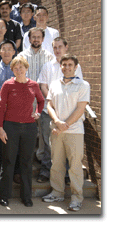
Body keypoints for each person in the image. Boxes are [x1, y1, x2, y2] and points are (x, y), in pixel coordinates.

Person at [42, 55, 90, 212]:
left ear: (76, 67)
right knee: (56, 164)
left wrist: (65, 125)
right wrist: (57, 122)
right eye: (64, 64)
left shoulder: (83, 85)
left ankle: (76, 198)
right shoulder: (55, 84)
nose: (67, 67)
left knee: (75, 166)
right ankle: (57, 192)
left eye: (70, 65)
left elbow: (80, 109)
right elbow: (49, 105)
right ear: (60, 66)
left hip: (74, 132)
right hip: (56, 131)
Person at [0, 55, 44, 207]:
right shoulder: (7, 85)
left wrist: (38, 111)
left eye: (21, 67)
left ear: (26, 68)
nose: (19, 70)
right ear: (12, 70)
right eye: (15, 68)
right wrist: (0, 128)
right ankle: (4, 195)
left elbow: (42, 101)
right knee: (9, 161)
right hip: (10, 126)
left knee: (26, 162)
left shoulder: (34, 85)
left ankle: (26, 197)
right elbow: (1, 107)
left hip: (29, 128)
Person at [36, 37, 83, 183]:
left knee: (66, 144)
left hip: (68, 113)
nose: (57, 50)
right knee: (48, 143)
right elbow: (43, 86)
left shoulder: (75, 66)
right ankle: (45, 171)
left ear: (66, 47)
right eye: (55, 47)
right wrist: (53, 103)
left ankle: (67, 175)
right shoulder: (47, 66)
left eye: (60, 47)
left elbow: (78, 86)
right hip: (48, 111)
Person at [0, 40, 17, 183]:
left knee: (15, 142)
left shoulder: (18, 69)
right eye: (4, 49)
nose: (6, 52)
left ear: (14, 52)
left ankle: (15, 172)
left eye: (9, 49)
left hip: (15, 112)